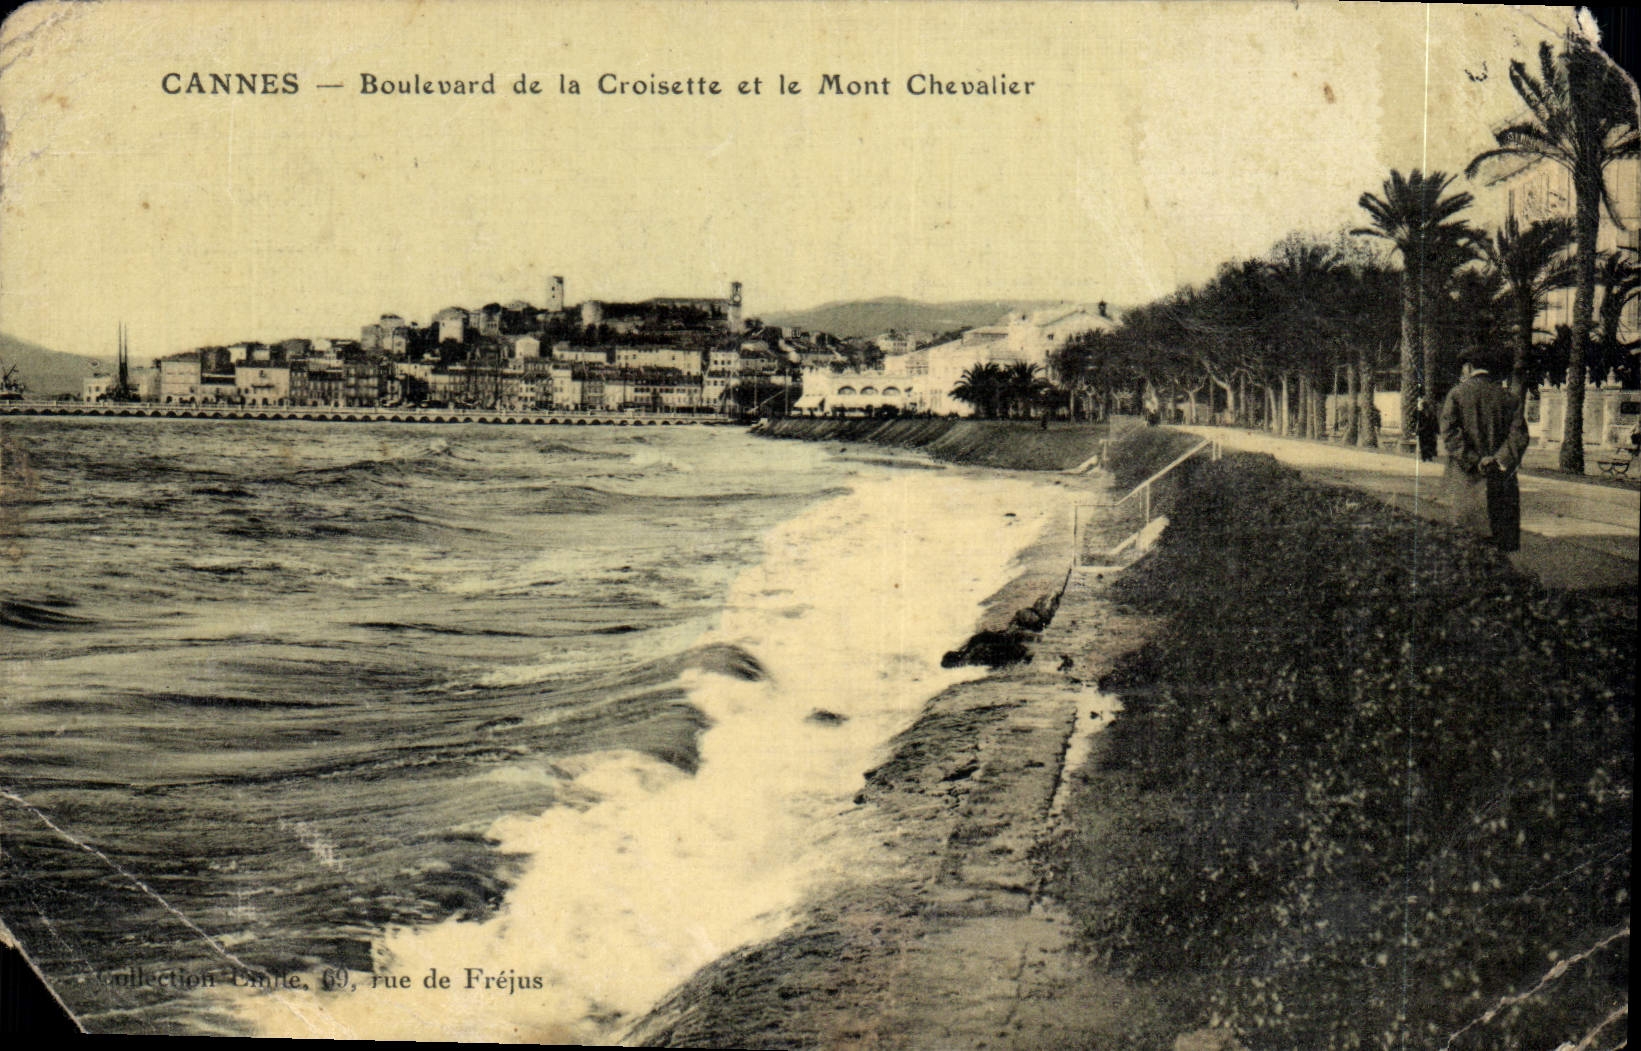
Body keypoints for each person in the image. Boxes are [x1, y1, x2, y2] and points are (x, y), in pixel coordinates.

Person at [1440, 348, 1529, 552]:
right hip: (1501, 481)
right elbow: (1519, 436)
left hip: (1466, 480)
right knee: (1499, 543)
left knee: (1465, 544)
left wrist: (1473, 459)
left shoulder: (1457, 394)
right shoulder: (1510, 398)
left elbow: (1449, 433)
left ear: (1469, 367)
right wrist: (1497, 460)